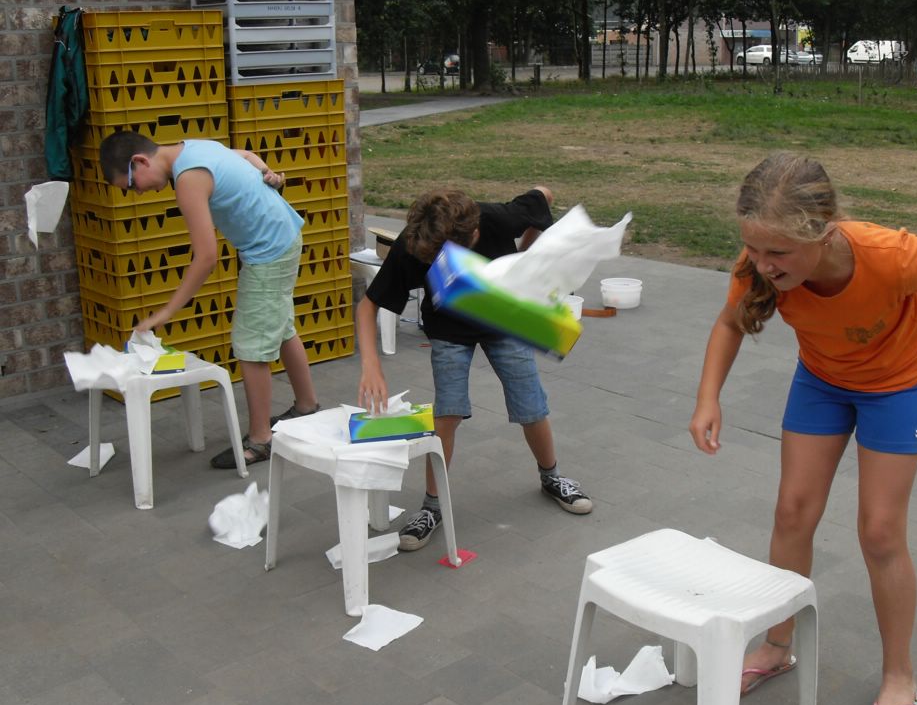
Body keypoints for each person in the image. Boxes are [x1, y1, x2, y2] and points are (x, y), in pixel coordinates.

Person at [688, 153, 917, 705]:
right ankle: (777, 644)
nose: (763, 265)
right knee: (792, 512)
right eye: (754, 249)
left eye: (779, 254)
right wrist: (707, 399)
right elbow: (729, 323)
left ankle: (900, 676)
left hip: (898, 385)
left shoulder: (890, 257)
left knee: (880, 531)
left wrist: (912, 306)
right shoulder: (758, 265)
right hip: (822, 381)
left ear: (823, 230)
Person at [356, 187, 592, 551]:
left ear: (475, 235)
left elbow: (541, 196)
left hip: (501, 318)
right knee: (446, 415)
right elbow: (368, 306)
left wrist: (524, 256)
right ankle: (431, 507)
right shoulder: (415, 241)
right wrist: (371, 366)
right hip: (448, 328)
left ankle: (552, 477)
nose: (435, 262)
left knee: (530, 404)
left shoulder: (496, 218)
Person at [98, 132, 321, 468]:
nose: (137, 192)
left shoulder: (188, 179)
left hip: (268, 250)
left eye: (130, 185)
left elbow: (206, 258)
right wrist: (268, 171)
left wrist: (166, 312)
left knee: (250, 343)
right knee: (279, 325)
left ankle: (261, 440)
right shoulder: (192, 148)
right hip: (281, 235)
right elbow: (244, 155)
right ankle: (306, 406)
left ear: (139, 161)